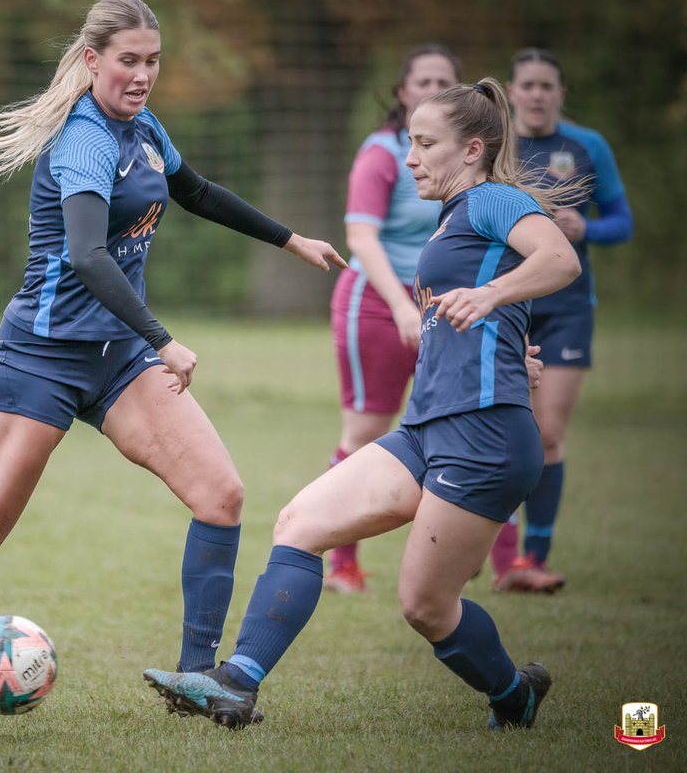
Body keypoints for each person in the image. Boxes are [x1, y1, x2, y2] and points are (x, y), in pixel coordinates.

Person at [0, 0, 345, 688]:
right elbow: (88, 258)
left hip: (119, 359)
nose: (143, 74)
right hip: (40, 360)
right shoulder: (85, 138)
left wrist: (291, 238)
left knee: (221, 495)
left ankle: (199, 680)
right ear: (92, 60)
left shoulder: (144, 126)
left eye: (152, 61)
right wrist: (165, 338)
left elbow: (200, 192)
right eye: (128, 61)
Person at [143, 78, 584, 732]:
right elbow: (470, 308)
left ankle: (513, 694)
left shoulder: (493, 199)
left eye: (425, 143)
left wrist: (492, 302)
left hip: (485, 439)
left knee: (425, 606)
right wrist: (508, 341)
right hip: (428, 429)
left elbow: (560, 259)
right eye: (409, 141)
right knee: (299, 521)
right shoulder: (456, 219)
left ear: (470, 150)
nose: (411, 157)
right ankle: (237, 683)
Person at [489, 47, 633, 593]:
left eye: (547, 85)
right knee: (508, 431)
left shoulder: (587, 145)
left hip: (569, 307)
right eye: (527, 85)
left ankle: (534, 557)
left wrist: (586, 230)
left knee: (548, 432)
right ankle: (490, 547)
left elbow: (622, 222)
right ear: (512, 89)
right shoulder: (497, 144)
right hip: (509, 301)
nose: (537, 94)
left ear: (561, 93)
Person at [324, 44, 461, 594]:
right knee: (366, 433)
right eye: (421, 80)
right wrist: (405, 305)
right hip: (377, 305)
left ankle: (491, 562)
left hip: (444, 305)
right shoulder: (382, 154)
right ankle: (341, 565)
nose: (430, 89)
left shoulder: (469, 160)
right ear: (402, 93)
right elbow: (361, 237)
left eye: (444, 81)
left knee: (462, 430)